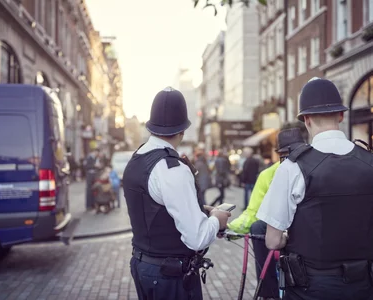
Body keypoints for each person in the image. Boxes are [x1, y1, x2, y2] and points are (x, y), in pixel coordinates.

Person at [257, 78, 373, 300]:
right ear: (340, 116)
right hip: (364, 284)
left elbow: (272, 241)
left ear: (306, 119)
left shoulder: (292, 166)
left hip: (311, 286)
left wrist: (289, 237)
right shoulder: (369, 161)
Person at [123, 86, 231, 300]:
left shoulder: (137, 158)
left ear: (151, 127)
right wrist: (217, 220)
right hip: (169, 276)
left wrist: (200, 210)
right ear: (182, 130)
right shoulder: (173, 169)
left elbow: (157, 207)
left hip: (143, 266)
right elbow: (197, 238)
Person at [229, 127, 306, 300]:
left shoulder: (277, 172)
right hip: (290, 232)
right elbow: (254, 212)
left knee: (260, 228)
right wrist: (230, 228)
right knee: (258, 227)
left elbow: (253, 212)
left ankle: (268, 292)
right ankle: (268, 291)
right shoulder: (269, 174)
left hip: (297, 233)